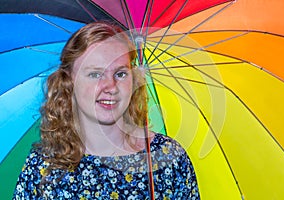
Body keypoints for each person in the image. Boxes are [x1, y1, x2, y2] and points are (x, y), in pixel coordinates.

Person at [13, 21, 200, 199]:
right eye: (95, 74)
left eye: (120, 73)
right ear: (69, 82)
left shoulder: (168, 158)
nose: (110, 86)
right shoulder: (43, 167)